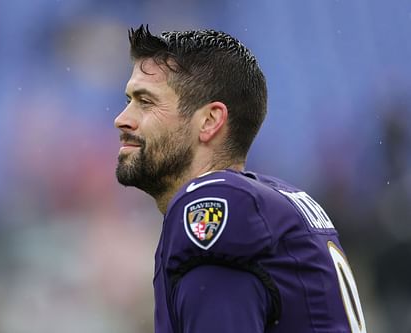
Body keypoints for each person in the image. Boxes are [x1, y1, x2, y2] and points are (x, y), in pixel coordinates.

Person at [114, 24, 367, 333]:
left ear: (209, 120)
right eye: (128, 100)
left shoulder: (214, 206)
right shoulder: (275, 202)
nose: (122, 119)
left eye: (145, 101)